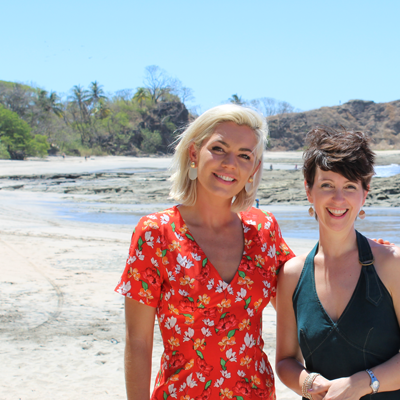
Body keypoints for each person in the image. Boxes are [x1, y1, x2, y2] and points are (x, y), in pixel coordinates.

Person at [115, 104, 294, 400]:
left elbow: (301, 305)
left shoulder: (264, 229)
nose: (230, 163)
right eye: (219, 149)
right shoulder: (156, 233)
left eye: (244, 155)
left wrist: (360, 254)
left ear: (254, 169)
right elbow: (138, 341)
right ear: (194, 154)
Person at [276, 127, 400, 399]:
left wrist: (362, 383)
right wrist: (308, 383)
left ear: (365, 193)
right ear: (309, 190)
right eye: (327, 185)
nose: (338, 198)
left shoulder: (392, 264)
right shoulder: (292, 274)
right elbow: (285, 361)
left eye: (350, 186)